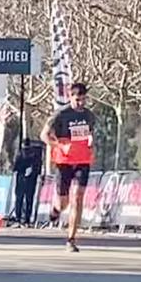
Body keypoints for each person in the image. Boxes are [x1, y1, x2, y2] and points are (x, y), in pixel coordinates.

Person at [41, 82, 95, 252]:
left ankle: (71, 239)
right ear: (70, 97)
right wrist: (60, 145)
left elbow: (90, 133)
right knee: (63, 202)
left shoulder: (89, 115)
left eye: (83, 99)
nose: (80, 103)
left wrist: (91, 142)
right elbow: (44, 135)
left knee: (78, 197)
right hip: (64, 162)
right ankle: (56, 209)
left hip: (82, 161)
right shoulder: (61, 114)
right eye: (77, 99)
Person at [11, 139, 45, 226]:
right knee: (29, 199)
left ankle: (18, 218)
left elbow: (15, 167)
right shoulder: (35, 155)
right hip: (31, 179)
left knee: (19, 199)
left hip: (21, 178)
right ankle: (27, 219)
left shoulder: (20, 154)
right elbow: (38, 168)